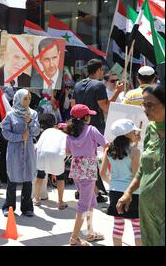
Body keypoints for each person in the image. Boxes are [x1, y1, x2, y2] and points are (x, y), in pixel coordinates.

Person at [117, 84, 165, 246]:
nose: (145, 110)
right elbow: (144, 168)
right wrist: (128, 192)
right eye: (144, 104)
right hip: (147, 209)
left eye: (150, 105)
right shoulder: (150, 130)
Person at [66, 104, 108, 246]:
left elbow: (68, 151)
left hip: (76, 169)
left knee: (91, 201)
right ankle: (74, 238)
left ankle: (90, 232)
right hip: (89, 170)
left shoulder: (70, 133)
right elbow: (105, 144)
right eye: (88, 115)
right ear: (85, 118)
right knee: (84, 205)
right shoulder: (91, 130)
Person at [100, 119, 142, 246]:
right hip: (132, 193)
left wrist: (113, 183)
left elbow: (102, 173)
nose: (136, 133)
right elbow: (136, 176)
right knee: (137, 228)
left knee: (118, 226)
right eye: (134, 131)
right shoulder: (135, 152)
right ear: (128, 134)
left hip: (114, 191)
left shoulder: (109, 150)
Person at [1, 89, 40, 217]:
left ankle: (27, 207)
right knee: (12, 178)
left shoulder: (33, 114)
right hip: (15, 151)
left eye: (28, 98)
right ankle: (9, 206)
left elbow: (36, 132)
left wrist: (30, 122)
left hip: (28, 150)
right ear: (18, 99)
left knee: (28, 178)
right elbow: (5, 133)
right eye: (25, 98)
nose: (27, 101)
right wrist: (19, 137)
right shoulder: (10, 115)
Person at [71, 59, 124, 134]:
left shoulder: (77, 85)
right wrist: (118, 91)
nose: (102, 72)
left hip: (80, 127)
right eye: (101, 69)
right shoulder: (99, 85)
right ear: (98, 70)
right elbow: (106, 108)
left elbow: (73, 106)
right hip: (96, 128)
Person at [34, 115, 68, 209]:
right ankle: (60, 201)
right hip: (57, 155)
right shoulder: (65, 135)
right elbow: (68, 149)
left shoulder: (47, 131)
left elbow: (38, 145)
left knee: (40, 175)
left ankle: (37, 199)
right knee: (60, 178)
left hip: (42, 154)